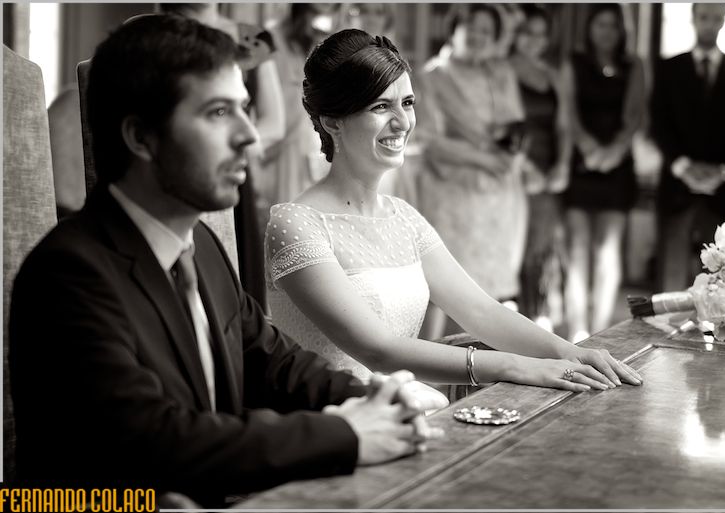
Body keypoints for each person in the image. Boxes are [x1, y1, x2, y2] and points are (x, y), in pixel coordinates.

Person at [8, 15, 443, 506]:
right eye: (218, 113)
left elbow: (274, 363)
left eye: (244, 109)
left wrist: (375, 398)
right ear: (141, 138)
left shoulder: (200, 245)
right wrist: (348, 434)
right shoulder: (69, 272)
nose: (250, 136)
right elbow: (155, 441)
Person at [264, 28, 642, 395]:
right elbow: (378, 350)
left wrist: (571, 352)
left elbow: (480, 311)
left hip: (401, 413)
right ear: (332, 121)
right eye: (380, 106)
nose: (403, 122)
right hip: (331, 421)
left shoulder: (404, 218)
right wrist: (517, 366)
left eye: (407, 103)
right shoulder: (295, 223)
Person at [159, 2, 286, 305]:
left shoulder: (253, 38)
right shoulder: (152, 35)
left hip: (231, 171)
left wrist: (230, 142)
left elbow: (274, 122)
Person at [415, 4, 529, 340]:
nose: (478, 36)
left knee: (487, 295)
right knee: (443, 289)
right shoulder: (432, 76)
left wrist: (511, 157)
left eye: (486, 31)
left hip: (498, 198)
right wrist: (483, 159)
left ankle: (476, 364)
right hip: (452, 195)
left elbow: (516, 127)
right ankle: (428, 363)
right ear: (454, 29)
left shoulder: (500, 74)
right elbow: (429, 139)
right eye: (471, 27)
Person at [651, 2, 725, 290]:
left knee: (719, 284)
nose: (709, 24)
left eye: (716, 18)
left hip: (721, 193)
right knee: (671, 281)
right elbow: (658, 122)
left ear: (724, 20)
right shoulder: (669, 68)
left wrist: (721, 171)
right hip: (676, 189)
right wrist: (684, 168)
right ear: (693, 18)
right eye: (704, 17)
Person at [560, 3, 645, 342]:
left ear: (621, 30)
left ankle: (601, 333)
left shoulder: (633, 65)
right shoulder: (575, 63)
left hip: (617, 166)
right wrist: (589, 149)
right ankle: (577, 332)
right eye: (600, 25)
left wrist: (612, 153)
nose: (606, 32)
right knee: (578, 249)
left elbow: (635, 116)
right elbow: (568, 112)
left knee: (607, 251)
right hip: (581, 164)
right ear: (590, 28)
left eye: (613, 26)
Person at [511, 5, 572, 331]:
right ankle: (519, 324)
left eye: (541, 34)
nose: (534, 40)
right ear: (515, 34)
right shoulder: (503, 70)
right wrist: (525, 168)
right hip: (515, 170)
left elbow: (564, 127)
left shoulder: (553, 75)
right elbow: (501, 128)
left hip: (548, 174)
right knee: (520, 249)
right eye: (527, 32)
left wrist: (562, 165)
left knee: (544, 247)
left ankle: (537, 321)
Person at [262, 3, 338, 206]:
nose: (322, 23)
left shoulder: (317, 43)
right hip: (278, 157)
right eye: (316, 13)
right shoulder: (270, 40)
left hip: (310, 158)